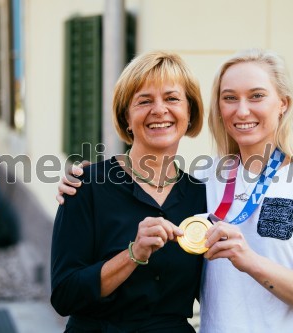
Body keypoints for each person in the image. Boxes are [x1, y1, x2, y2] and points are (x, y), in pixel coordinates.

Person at [58, 49, 293, 332]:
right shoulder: (205, 182)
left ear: (283, 102)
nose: (242, 110)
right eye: (230, 98)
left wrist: (252, 262)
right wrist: (88, 179)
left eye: (257, 96)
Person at [50, 51, 206, 333]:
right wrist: (133, 254)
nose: (159, 110)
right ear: (125, 118)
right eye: (144, 101)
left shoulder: (202, 195)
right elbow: (64, 295)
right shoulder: (86, 185)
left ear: (190, 111)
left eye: (172, 98)